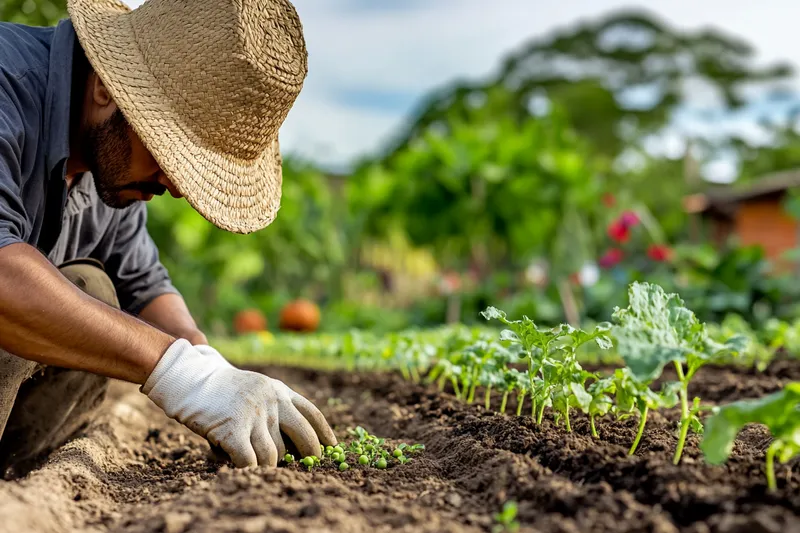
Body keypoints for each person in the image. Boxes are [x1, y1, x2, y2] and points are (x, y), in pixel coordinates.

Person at [0, 0, 337, 479]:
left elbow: (144, 284)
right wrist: (183, 376)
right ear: (104, 88)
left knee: (91, 289)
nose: (177, 186)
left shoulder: (106, 166)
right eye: (167, 151)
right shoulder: (5, 85)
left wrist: (213, 368)